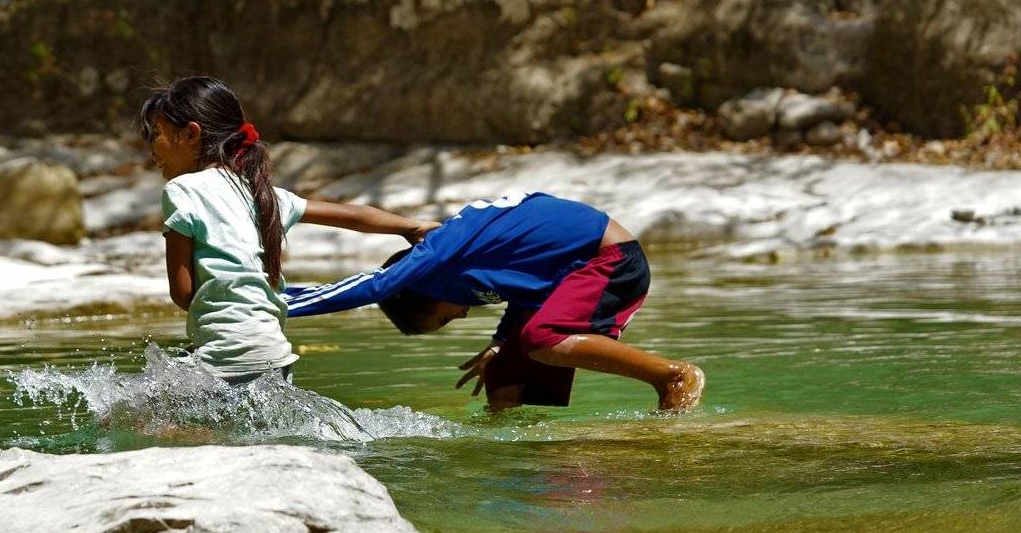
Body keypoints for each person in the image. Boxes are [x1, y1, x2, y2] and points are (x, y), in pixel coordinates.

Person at [283, 191, 705, 412]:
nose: (463, 314)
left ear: (424, 290)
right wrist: (501, 342)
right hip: (573, 267)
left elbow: (372, 287)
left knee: (543, 338)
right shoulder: (458, 260)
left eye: (446, 319)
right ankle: (530, 461)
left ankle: (671, 376)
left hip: (609, 260)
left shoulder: (437, 255)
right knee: (502, 377)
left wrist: (278, 303)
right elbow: (531, 283)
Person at [140, 76, 434, 385]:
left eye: (156, 133)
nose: (151, 149)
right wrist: (413, 227)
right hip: (276, 355)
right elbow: (354, 216)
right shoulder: (264, 193)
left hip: (224, 357)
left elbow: (183, 294)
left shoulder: (182, 190)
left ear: (190, 133)